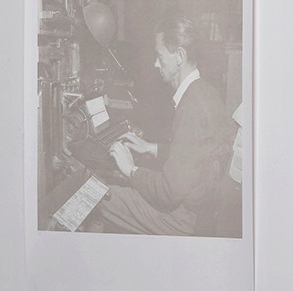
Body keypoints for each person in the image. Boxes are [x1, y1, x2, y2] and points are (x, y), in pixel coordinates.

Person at [98, 13, 233, 236]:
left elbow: (168, 192)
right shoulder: (206, 91)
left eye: (160, 56)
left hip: (184, 220)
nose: (155, 63)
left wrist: (131, 170)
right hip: (202, 211)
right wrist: (152, 148)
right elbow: (194, 152)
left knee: (100, 196)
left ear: (179, 56)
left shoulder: (191, 106)